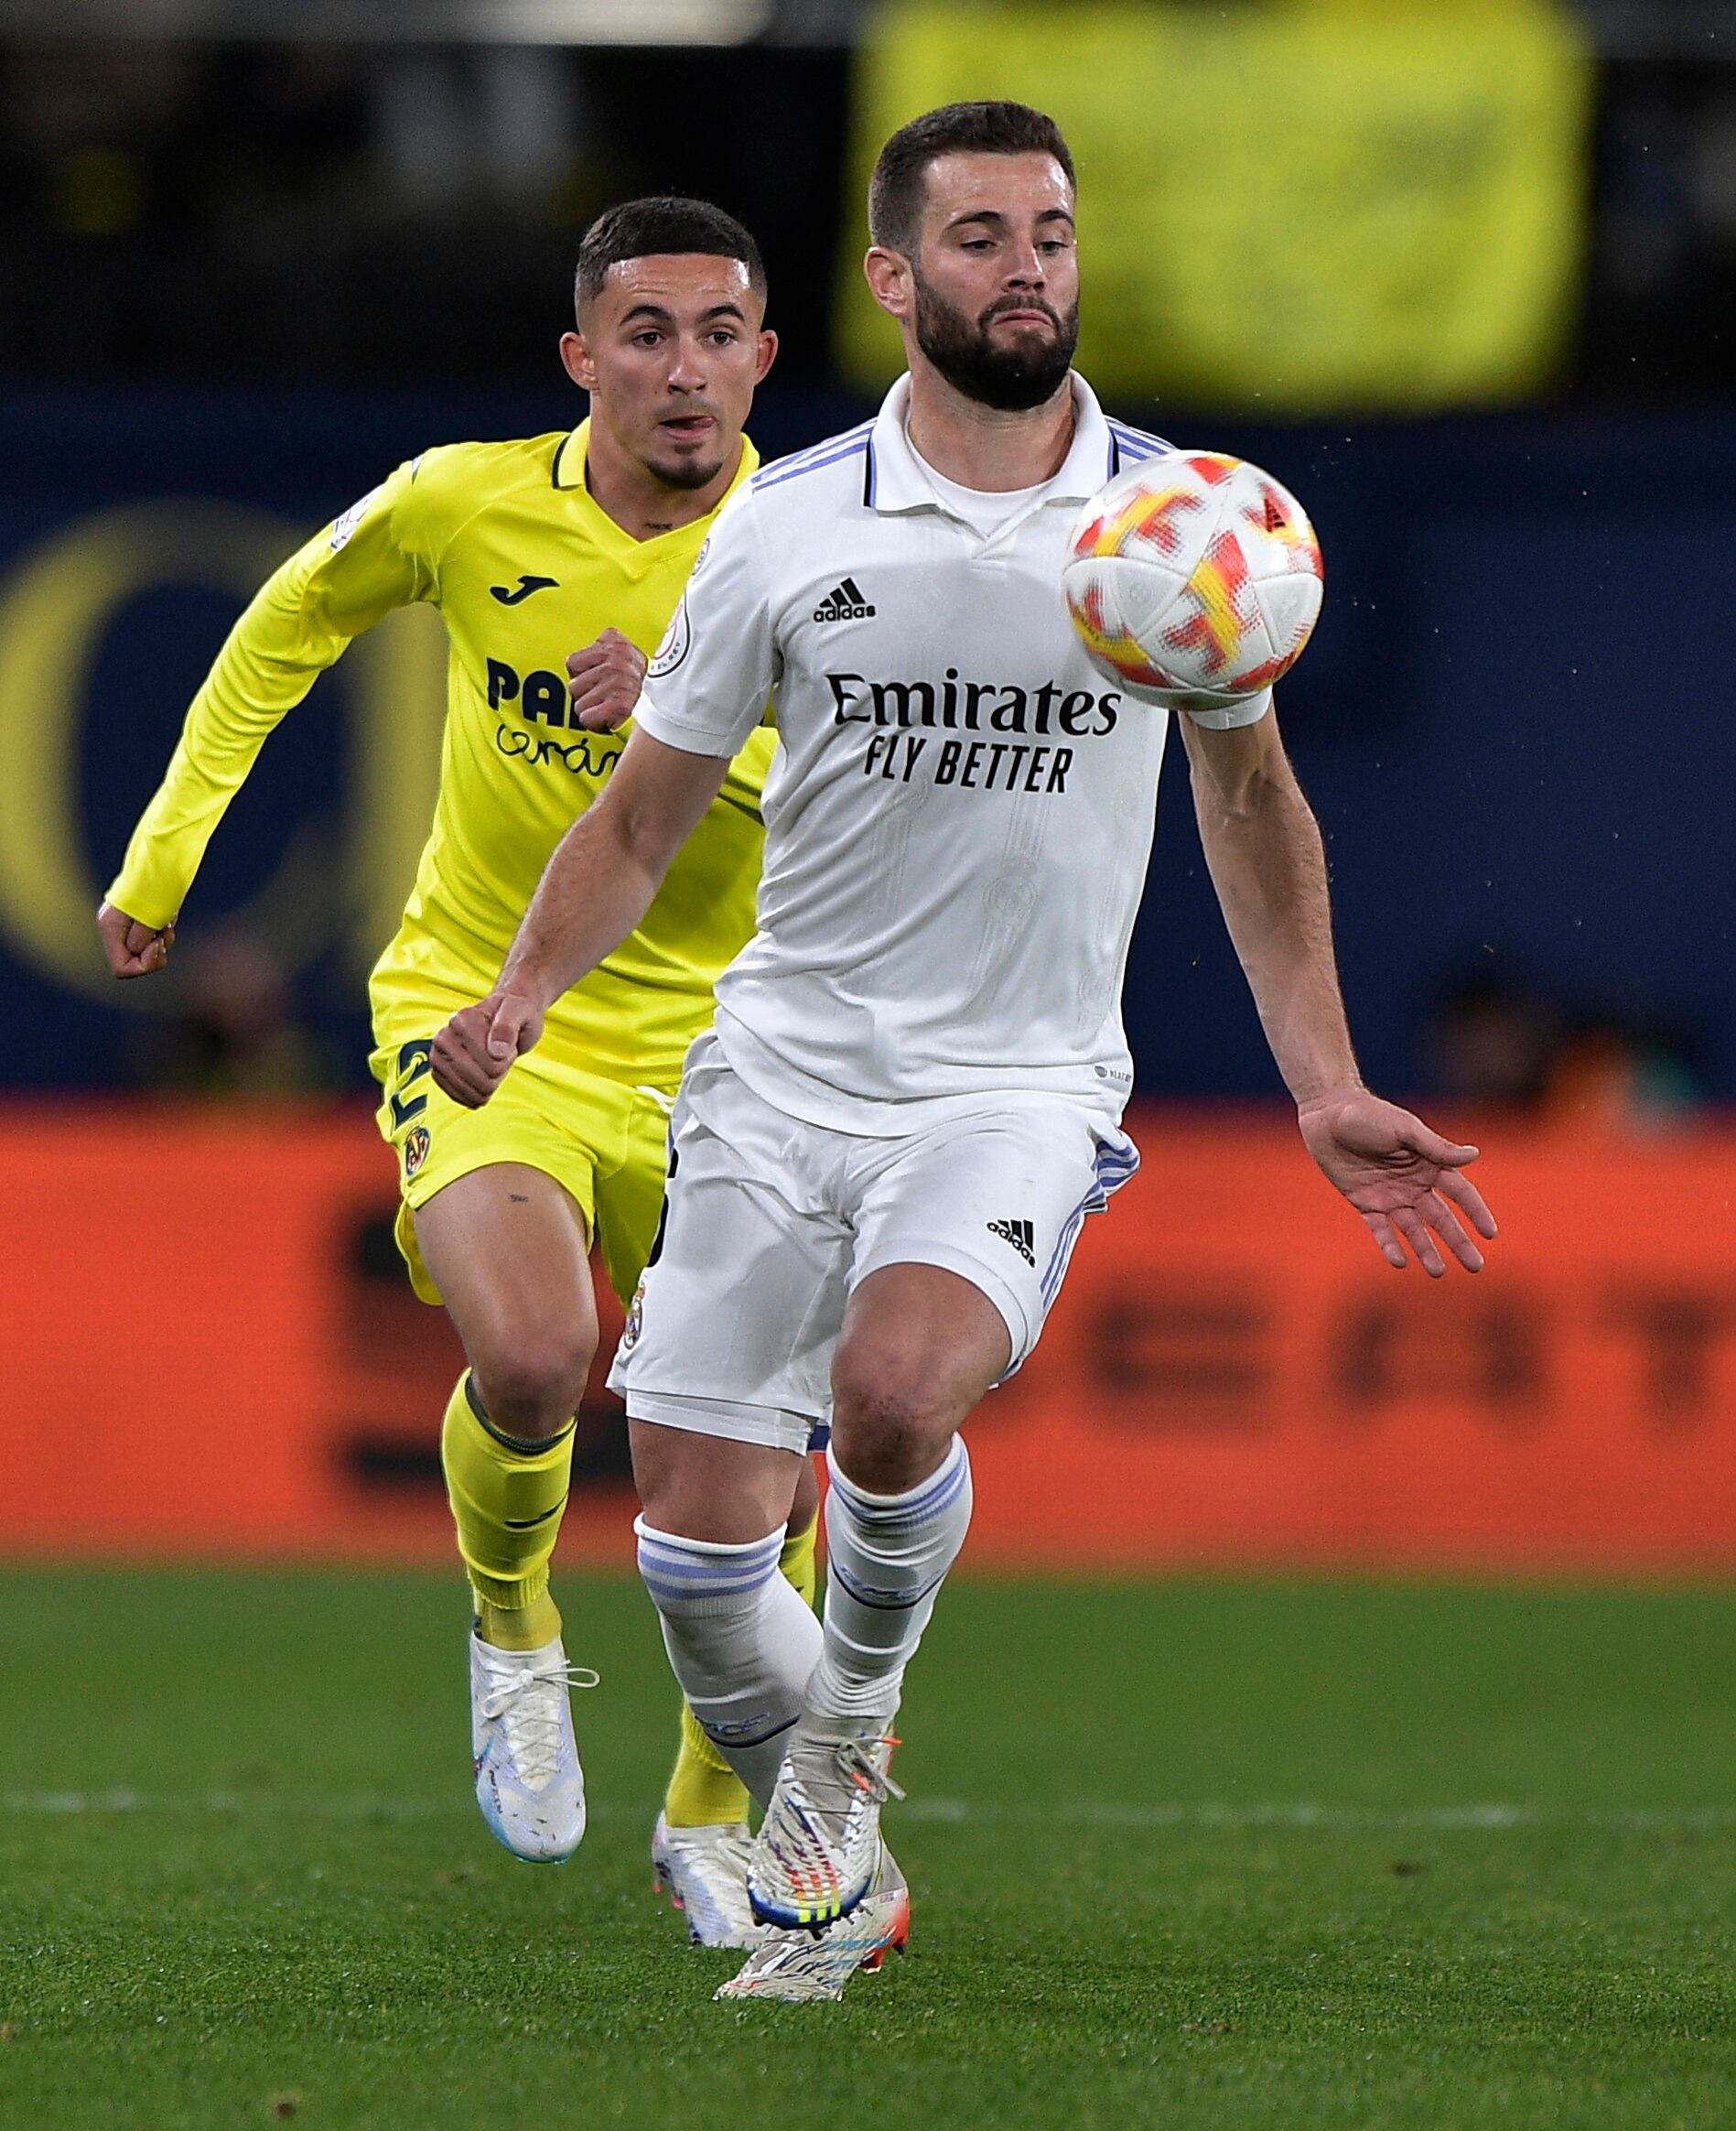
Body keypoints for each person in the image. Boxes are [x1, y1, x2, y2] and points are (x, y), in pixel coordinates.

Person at [430, 101, 1499, 2001]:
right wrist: (516, 997)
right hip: (774, 1076)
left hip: (1009, 1088)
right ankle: (811, 1819)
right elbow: (640, 821)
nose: (1030, 268)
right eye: (986, 234)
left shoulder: (1178, 527)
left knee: (895, 1394)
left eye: (1055, 233)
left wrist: (1323, 1080)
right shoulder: (785, 525)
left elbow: (1253, 811)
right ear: (893, 275)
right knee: (688, 1553)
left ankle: (839, 1757)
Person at [96, 195, 817, 1950]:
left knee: (765, 1469)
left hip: (748, 1045)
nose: (683, 371)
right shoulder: (461, 498)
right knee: (534, 1350)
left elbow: (884, 815)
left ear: (765, 360)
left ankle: (712, 1824)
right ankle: (510, 1631)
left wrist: (693, 723)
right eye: (644, 334)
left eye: (719, 333)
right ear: (581, 358)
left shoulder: (817, 552)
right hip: (492, 1007)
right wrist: (166, 853)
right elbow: (282, 626)